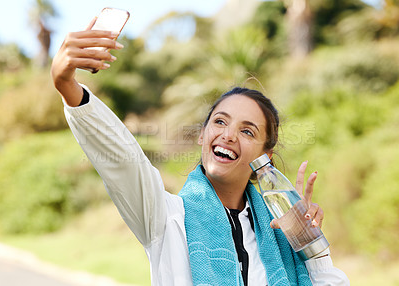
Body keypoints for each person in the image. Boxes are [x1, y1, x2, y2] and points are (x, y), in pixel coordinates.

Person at [51, 19, 350, 286]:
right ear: (203, 135)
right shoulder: (166, 219)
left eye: (247, 131)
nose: (228, 135)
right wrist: (68, 88)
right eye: (219, 122)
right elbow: (125, 161)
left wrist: (311, 248)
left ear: (265, 157)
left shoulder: (281, 236)